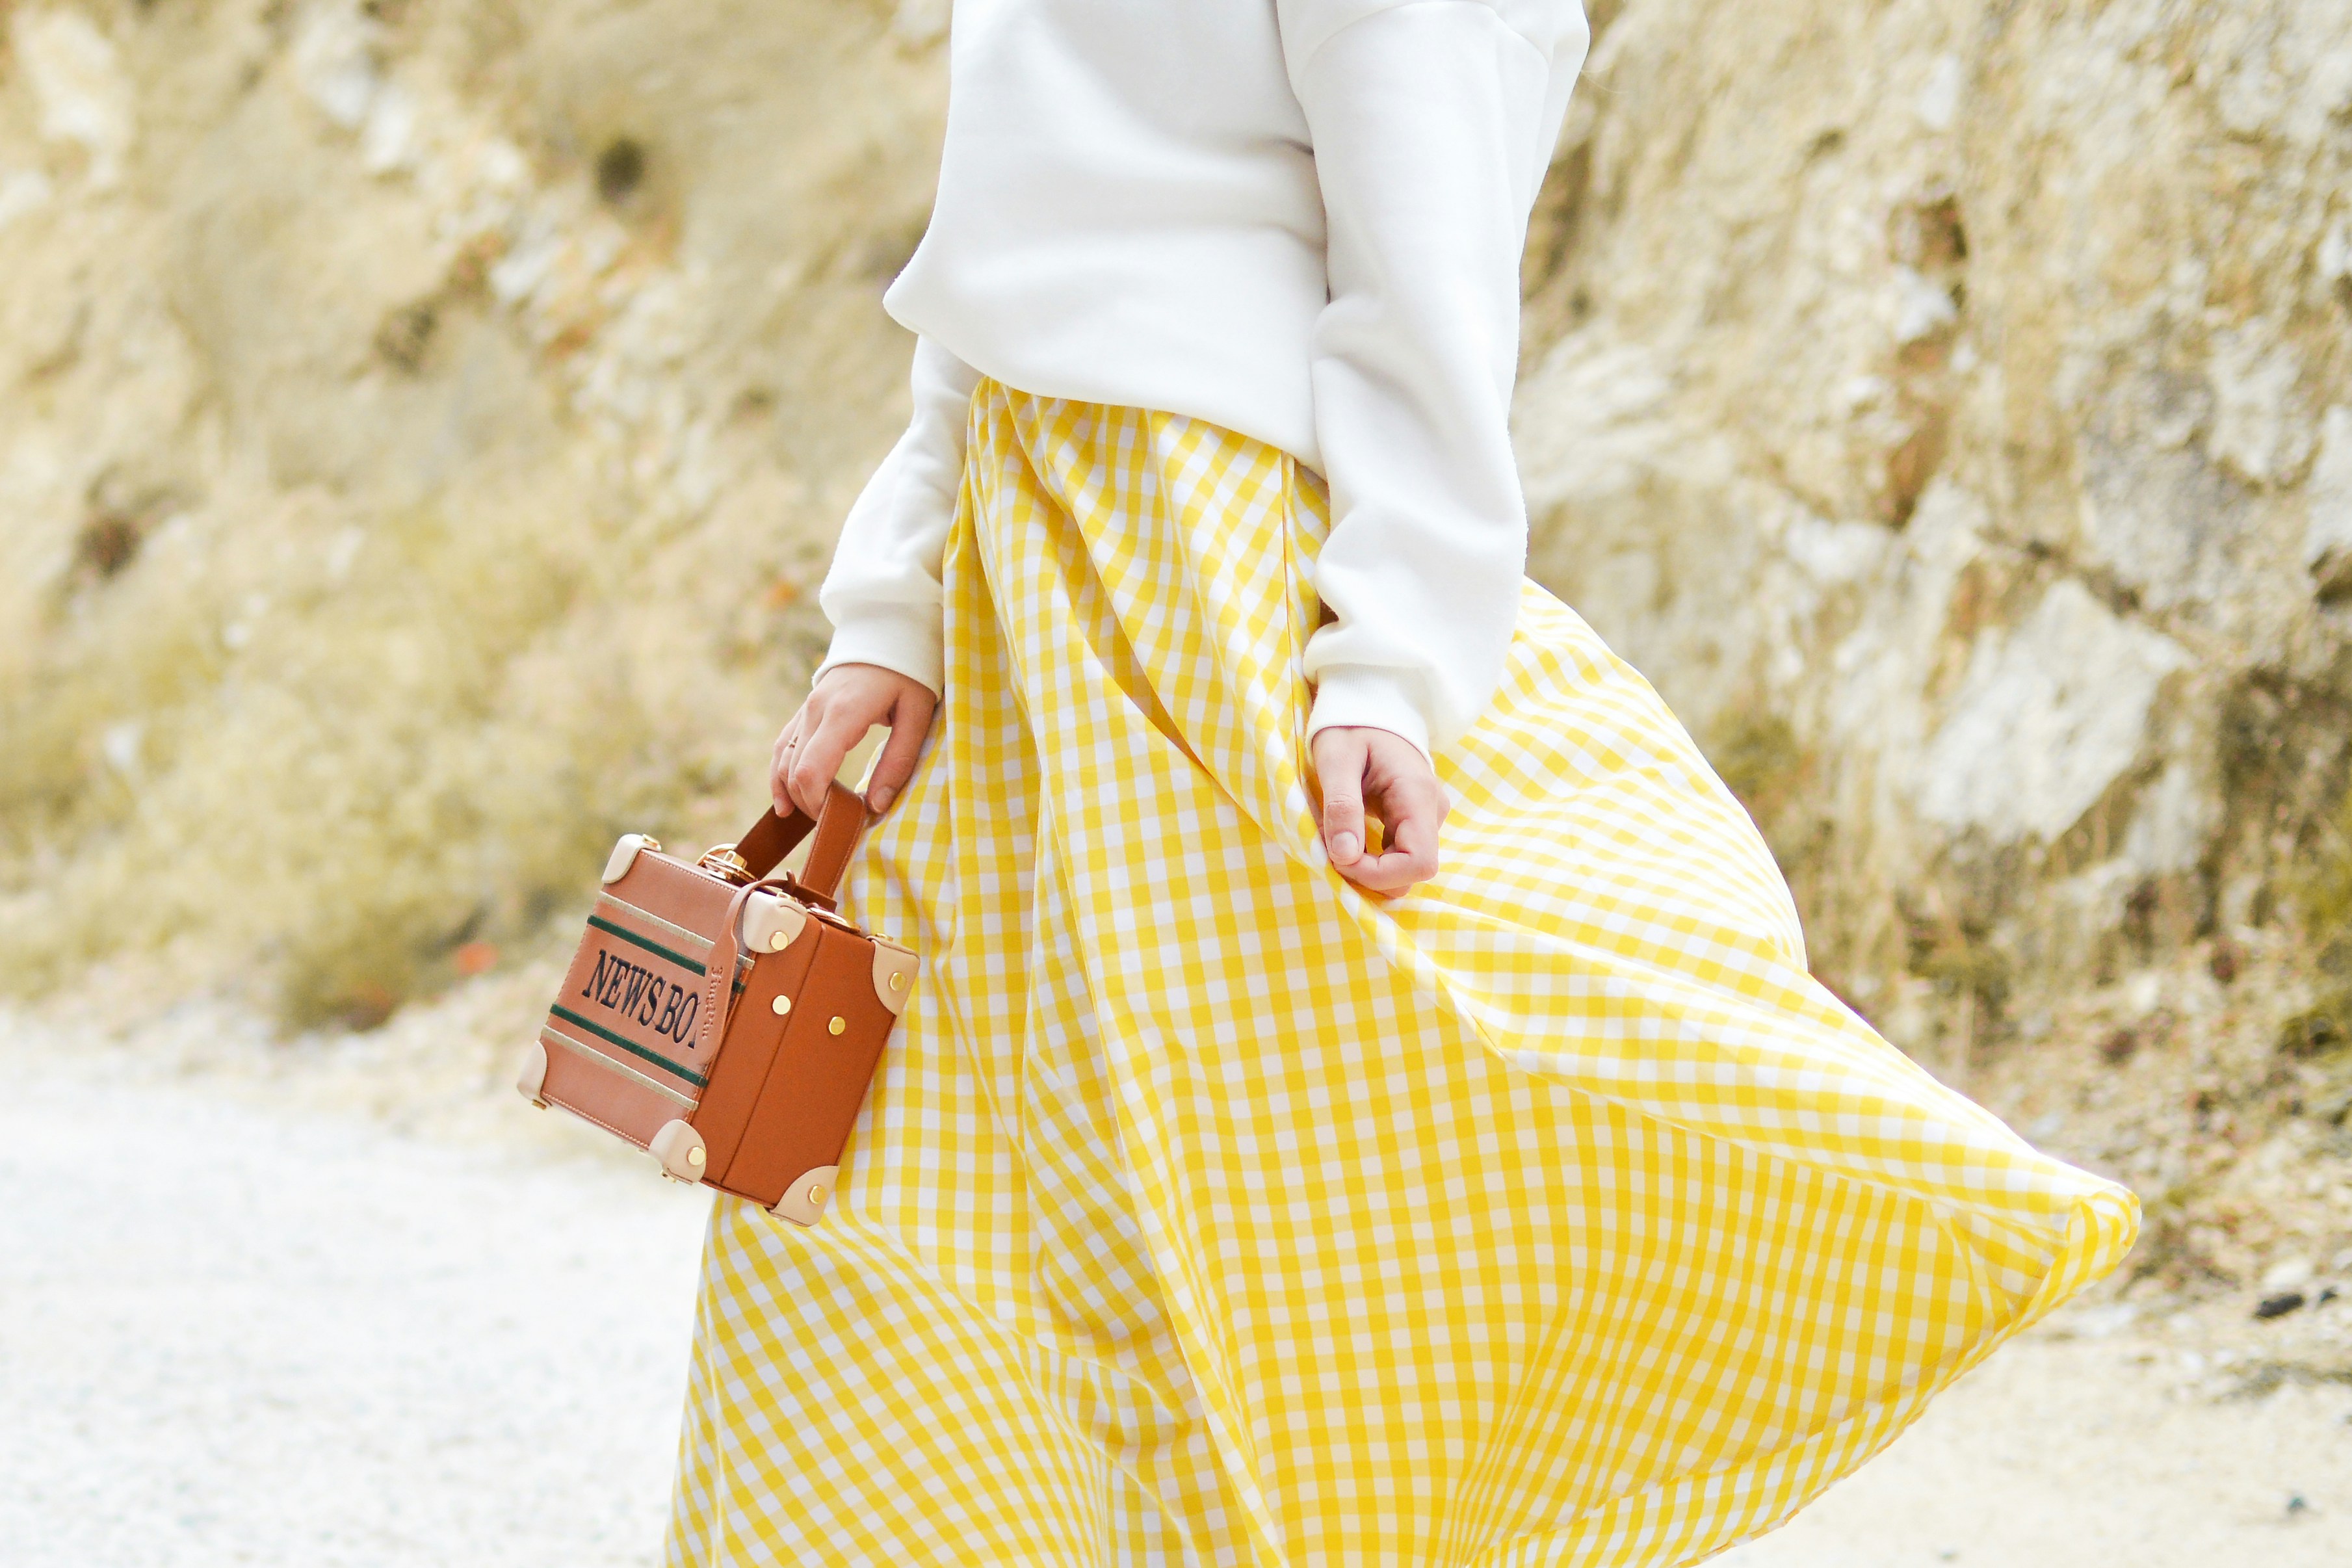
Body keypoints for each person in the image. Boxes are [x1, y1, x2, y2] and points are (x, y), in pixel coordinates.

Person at [665, 3, 2137, 1563]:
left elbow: (1424, 290)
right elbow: (988, 280)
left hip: (1201, 567)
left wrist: (1384, 665)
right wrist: (888, 613)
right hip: (1012, 587)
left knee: (1233, 1172)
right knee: (913, 1168)